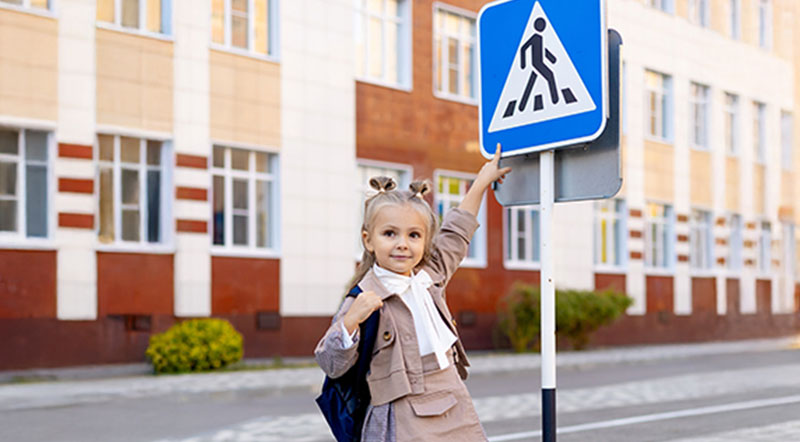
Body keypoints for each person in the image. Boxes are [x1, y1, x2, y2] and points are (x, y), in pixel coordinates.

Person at [315, 145, 511, 441]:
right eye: (390, 233)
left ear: (425, 240)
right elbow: (331, 364)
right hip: (401, 410)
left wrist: (482, 182)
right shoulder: (365, 297)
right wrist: (350, 323)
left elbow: (457, 232)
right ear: (368, 240)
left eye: (414, 235)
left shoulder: (430, 276)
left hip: (452, 395)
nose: (403, 244)